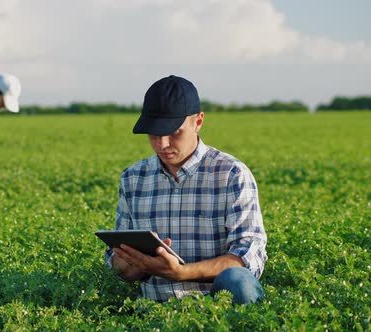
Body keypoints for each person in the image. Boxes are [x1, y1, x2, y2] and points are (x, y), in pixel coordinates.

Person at [105, 75, 267, 304]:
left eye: (174, 132)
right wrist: (128, 265)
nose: (162, 144)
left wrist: (181, 272)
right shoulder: (133, 178)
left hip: (218, 312)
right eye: (154, 134)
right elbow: (120, 263)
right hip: (156, 314)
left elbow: (247, 257)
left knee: (238, 280)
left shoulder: (231, 173)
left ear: (198, 122)